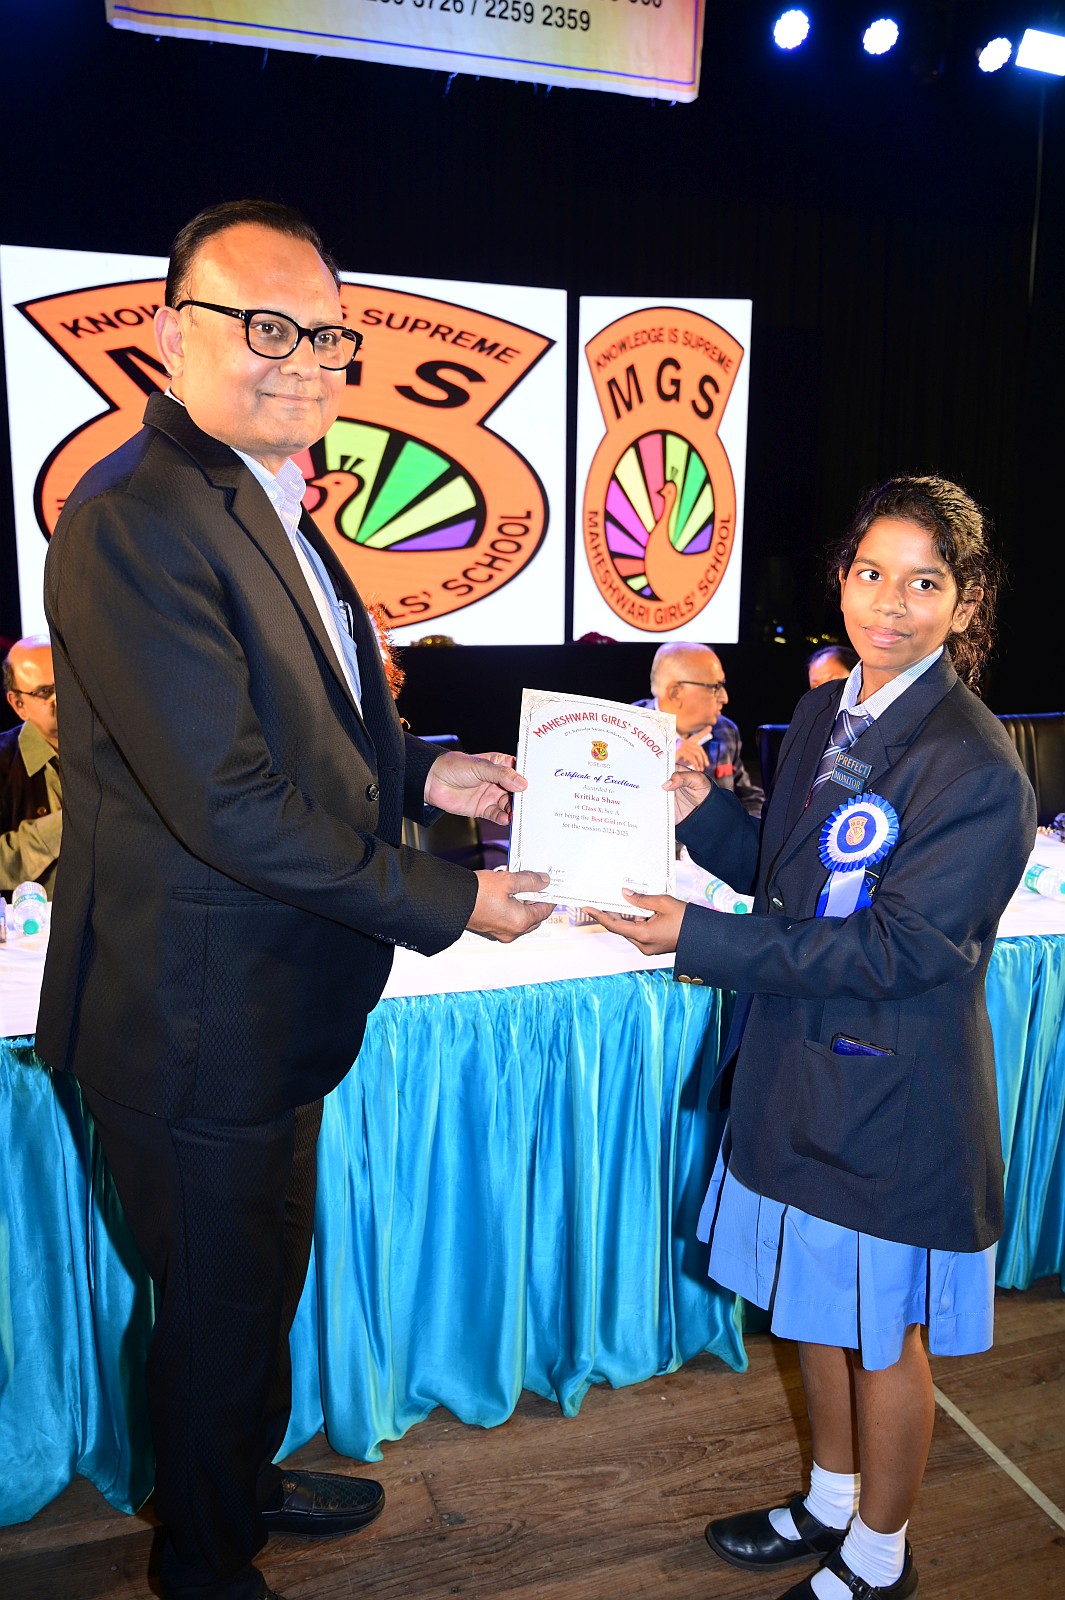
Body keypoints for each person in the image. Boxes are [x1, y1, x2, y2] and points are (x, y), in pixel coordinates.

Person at [38, 198, 552, 1600]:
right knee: (215, 1312)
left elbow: (317, 728)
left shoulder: (271, 501)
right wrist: (452, 900)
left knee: (257, 1284)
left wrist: (430, 777)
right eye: (265, 327)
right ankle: (206, 1566)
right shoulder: (134, 520)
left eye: (325, 335)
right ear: (169, 334)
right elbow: (227, 798)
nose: (305, 359)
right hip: (190, 1023)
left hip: (268, 1012)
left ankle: (241, 1486)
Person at [587, 476, 1036, 1600]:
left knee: (881, 1335)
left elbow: (905, 951)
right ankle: (830, 1501)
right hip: (798, 1074)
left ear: (966, 603)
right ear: (841, 579)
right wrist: (696, 807)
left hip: (889, 1098)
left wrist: (696, 938)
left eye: (923, 583)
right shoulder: (833, 713)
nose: (890, 603)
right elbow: (784, 879)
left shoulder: (975, 763)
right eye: (871, 573)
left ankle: (880, 1557)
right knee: (817, 1312)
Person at [634, 641, 764, 816]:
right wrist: (664, 761)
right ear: (675, 693)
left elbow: (748, 798)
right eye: (716, 687)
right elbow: (617, 802)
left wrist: (749, 830)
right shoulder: (624, 730)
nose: (724, 698)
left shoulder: (725, 730)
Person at [1, 634, 62, 897]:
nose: (61, 697)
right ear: (19, 704)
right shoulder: (4, 761)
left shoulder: (113, 749)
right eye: (44, 692)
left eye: (66, 683)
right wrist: (65, 825)